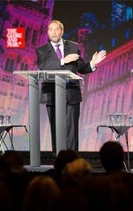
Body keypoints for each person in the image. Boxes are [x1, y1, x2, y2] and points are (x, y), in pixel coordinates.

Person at [36, 20, 106, 155]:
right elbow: (44, 67)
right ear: (48, 32)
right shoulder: (42, 50)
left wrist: (92, 63)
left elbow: (80, 67)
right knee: (56, 129)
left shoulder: (73, 47)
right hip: (52, 94)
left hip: (71, 93)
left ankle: (72, 159)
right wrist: (63, 61)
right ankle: (58, 158)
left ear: (62, 32)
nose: (54, 32)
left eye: (57, 29)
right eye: (51, 29)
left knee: (72, 129)